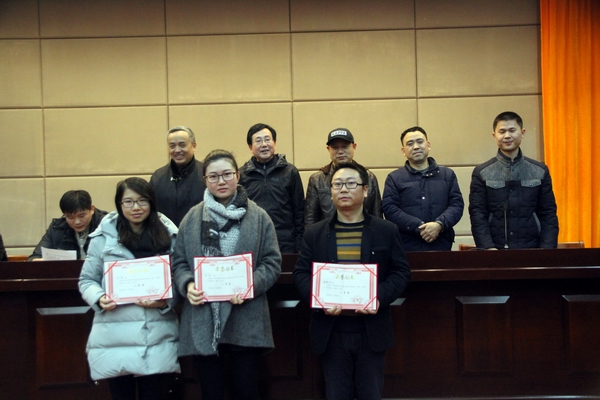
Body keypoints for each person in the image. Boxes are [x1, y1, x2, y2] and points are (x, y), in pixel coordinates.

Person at [293, 162, 411, 400]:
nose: (343, 189)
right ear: (330, 192)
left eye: (350, 183)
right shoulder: (315, 233)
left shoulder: (386, 230)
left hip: (371, 330)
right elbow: (301, 274)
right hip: (331, 330)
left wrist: (377, 298)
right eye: (337, 184)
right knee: (336, 394)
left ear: (365, 190)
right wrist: (319, 300)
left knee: (370, 394)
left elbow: (401, 272)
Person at [171, 149, 281, 400]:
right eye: (213, 176)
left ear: (238, 175)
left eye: (227, 174)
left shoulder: (259, 217)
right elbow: (179, 262)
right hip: (203, 318)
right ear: (205, 180)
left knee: (246, 392)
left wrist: (250, 285)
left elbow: (272, 262)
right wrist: (187, 285)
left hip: (246, 316)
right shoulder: (192, 218)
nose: (221, 181)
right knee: (211, 393)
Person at [79, 177, 180, 400]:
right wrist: (99, 298)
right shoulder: (103, 238)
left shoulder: (169, 235)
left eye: (142, 201)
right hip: (115, 335)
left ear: (151, 202)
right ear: (119, 204)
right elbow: (87, 280)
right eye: (128, 202)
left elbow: (180, 279)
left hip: (156, 332)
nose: (136, 207)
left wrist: (165, 300)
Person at [469, 111, 559, 249]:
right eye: (502, 131)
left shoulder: (539, 171)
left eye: (512, 130)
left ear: (522, 132)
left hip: (533, 249)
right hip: (495, 250)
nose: (507, 136)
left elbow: (548, 214)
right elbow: (478, 215)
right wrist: (488, 248)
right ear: (494, 135)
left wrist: (546, 250)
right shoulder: (482, 172)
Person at [382, 126, 464, 251]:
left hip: (442, 243)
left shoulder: (447, 175)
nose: (416, 147)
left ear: (428, 145)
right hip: (406, 246)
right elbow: (390, 209)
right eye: (410, 144)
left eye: (420, 142)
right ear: (403, 151)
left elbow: (456, 205)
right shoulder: (394, 178)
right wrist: (418, 226)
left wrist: (439, 224)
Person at [239, 123, 305, 253]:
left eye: (267, 139)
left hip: (285, 242)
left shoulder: (290, 172)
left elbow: (299, 211)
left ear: (274, 143)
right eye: (258, 141)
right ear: (250, 147)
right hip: (254, 241)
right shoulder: (242, 175)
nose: (264, 144)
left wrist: (299, 244)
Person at [304, 127, 382, 228]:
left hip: (363, 233)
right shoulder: (317, 179)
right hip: (327, 234)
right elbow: (310, 219)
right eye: (335, 147)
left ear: (354, 147)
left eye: (345, 147)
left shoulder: (369, 177)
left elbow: (377, 215)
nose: (340, 151)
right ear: (328, 149)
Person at [150, 126, 207, 226]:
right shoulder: (158, 178)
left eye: (182, 145)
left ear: (194, 146)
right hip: (166, 235)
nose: (177, 150)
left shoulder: (207, 174)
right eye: (172, 146)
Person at [28, 190, 107, 261]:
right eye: (70, 217)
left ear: (92, 209)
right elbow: (34, 258)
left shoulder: (108, 225)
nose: (77, 222)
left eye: (81, 216)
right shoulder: (57, 228)